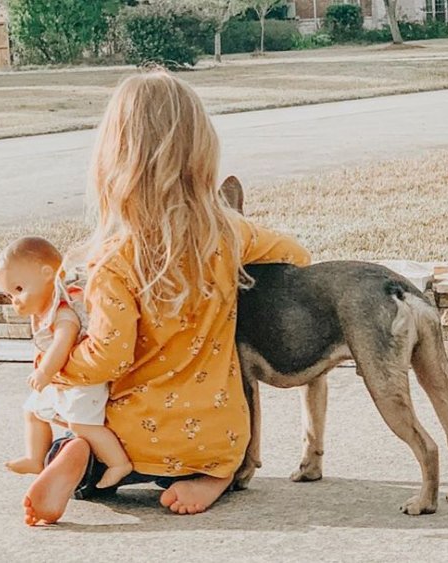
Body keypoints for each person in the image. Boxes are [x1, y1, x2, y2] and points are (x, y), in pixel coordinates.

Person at [22, 69, 311, 526]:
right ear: (201, 153)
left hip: (129, 433)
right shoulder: (229, 233)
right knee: (224, 457)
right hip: (212, 431)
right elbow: (297, 255)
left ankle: (78, 460)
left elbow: (109, 358)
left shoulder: (113, 262)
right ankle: (213, 478)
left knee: (83, 428)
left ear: (112, 161)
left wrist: (57, 365)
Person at [0, 237, 133, 490]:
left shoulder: (63, 311)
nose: (14, 299)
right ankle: (36, 458)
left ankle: (118, 463)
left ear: (47, 274)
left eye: (18, 289)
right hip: (63, 380)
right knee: (33, 412)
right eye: (8, 294)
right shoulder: (44, 311)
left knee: (82, 423)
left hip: (83, 380)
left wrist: (45, 371)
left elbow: (62, 342)